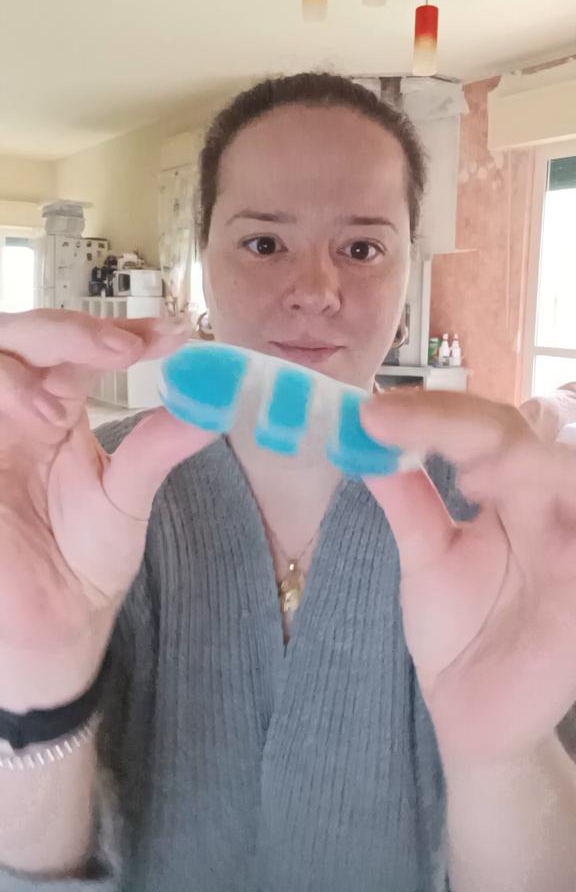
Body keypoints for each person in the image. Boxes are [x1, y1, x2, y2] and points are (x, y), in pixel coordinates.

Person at [0, 72, 576, 892]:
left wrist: (503, 761)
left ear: (407, 270)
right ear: (204, 259)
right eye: (265, 244)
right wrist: (36, 690)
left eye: (362, 249)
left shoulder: (495, 519)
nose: (315, 292)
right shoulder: (78, 495)